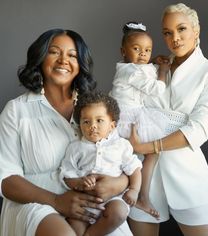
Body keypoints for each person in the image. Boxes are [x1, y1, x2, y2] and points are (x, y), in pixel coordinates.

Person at [0, 28, 132, 236]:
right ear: (41, 58)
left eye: (72, 55)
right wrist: (56, 201)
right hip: (35, 203)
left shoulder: (95, 108)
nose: (63, 60)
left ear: (80, 64)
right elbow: (6, 180)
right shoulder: (17, 110)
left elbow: (121, 155)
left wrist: (118, 184)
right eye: (54, 52)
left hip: (91, 204)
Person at [127, 3, 208, 236]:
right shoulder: (152, 69)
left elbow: (199, 129)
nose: (175, 38)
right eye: (167, 32)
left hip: (187, 173)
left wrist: (146, 145)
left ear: (196, 29)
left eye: (182, 29)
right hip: (144, 176)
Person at [110, 21, 183, 218]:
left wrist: (154, 62)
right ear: (123, 51)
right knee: (147, 155)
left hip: (130, 114)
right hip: (127, 117)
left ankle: (134, 194)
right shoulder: (131, 71)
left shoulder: (130, 67)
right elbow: (156, 89)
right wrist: (162, 71)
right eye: (136, 49)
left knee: (138, 157)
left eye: (147, 50)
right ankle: (139, 195)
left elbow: (143, 70)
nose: (143, 54)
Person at [60, 91, 142, 235]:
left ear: (112, 125)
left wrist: (134, 190)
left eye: (99, 120)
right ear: (79, 125)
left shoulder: (121, 145)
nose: (93, 126)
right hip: (84, 201)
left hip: (112, 199)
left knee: (119, 212)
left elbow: (134, 169)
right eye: (86, 121)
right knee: (74, 224)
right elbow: (67, 173)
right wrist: (80, 182)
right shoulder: (76, 147)